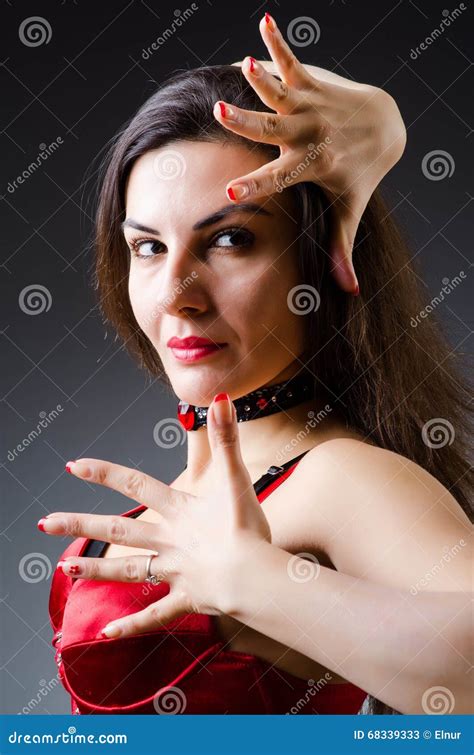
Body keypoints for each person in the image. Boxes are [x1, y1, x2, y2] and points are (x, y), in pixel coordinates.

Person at [40, 13, 472, 715]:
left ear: (320, 257)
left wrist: (257, 582)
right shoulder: (183, 501)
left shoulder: (341, 475)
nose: (178, 295)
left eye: (230, 239)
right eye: (149, 247)